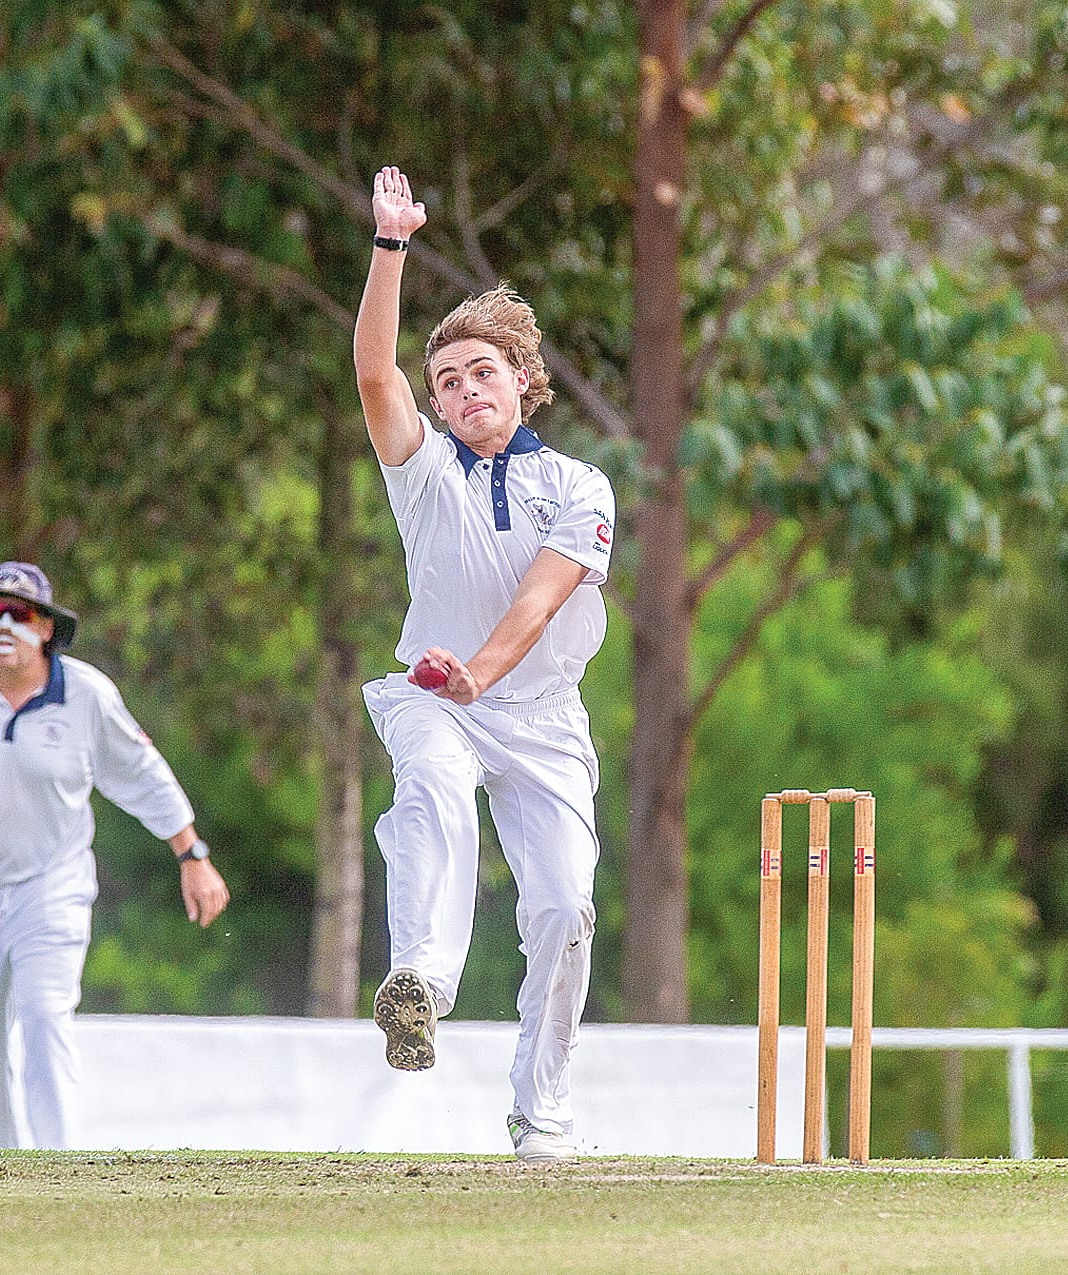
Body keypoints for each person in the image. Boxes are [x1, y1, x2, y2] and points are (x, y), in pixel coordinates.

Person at [351, 166, 615, 1166]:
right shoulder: (420, 473)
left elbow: (542, 596)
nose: (463, 390)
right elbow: (376, 376)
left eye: (481, 373)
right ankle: (418, 980)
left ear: (521, 381)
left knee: (563, 906)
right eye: (448, 379)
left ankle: (540, 1112)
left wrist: (486, 672)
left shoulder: (576, 483)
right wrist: (391, 247)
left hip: (540, 714)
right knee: (429, 785)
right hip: (433, 697)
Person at [0, 561, 229, 1149]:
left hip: (51, 883)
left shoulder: (86, 695)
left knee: (43, 1016)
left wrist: (193, 854)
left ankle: (57, 1170)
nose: (4, 625)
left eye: (20, 613)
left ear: (46, 630)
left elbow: (143, 776)